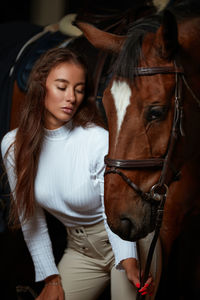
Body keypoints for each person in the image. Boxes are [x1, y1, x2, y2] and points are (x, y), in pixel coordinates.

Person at [1, 47, 157, 300]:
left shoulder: (97, 140)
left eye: (79, 89)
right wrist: (51, 277)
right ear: (41, 86)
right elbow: (31, 219)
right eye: (62, 87)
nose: (71, 97)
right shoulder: (12, 145)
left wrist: (129, 261)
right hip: (81, 250)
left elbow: (114, 209)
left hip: (126, 240)